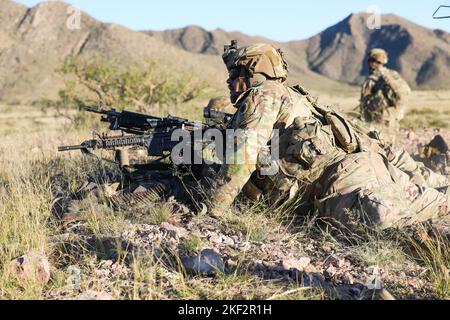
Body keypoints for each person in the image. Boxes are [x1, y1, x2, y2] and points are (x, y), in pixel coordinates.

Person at [202, 41, 449, 235]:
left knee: (391, 227)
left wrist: (214, 209)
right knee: (434, 203)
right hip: (356, 173)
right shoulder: (286, 95)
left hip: (346, 185)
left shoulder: (263, 95)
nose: (230, 82)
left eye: (235, 75)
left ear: (253, 73)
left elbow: (244, 155)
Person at [360, 48, 411, 141]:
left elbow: (364, 104)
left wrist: (364, 123)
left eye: (370, 60)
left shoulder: (372, 79)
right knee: (392, 147)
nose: (368, 63)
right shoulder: (393, 74)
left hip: (377, 121)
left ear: (373, 62)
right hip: (392, 118)